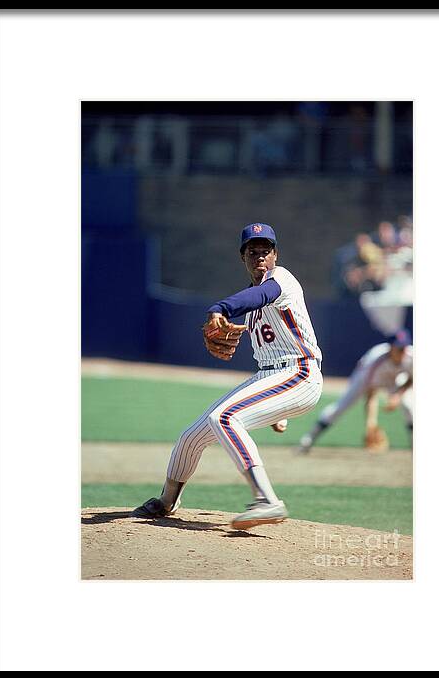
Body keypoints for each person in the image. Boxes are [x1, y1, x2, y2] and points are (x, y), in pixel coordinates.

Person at [133, 223, 323, 530]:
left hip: (300, 373)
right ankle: (167, 500)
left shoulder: (280, 279)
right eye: (253, 251)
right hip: (274, 377)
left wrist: (221, 308)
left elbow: (263, 294)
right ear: (242, 257)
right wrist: (277, 410)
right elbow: (266, 350)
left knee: (223, 417)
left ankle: (267, 500)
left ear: (275, 255)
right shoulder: (252, 305)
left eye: (266, 251)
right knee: (191, 437)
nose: (260, 256)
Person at [298, 329, 413, 453]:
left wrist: (397, 395)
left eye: (404, 347)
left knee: (409, 405)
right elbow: (371, 394)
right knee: (340, 407)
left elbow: (412, 379)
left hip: (396, 378)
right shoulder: (375, 361)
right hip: (363, 378)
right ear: (391, 348)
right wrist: (371, 424)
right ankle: (307, 440)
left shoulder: (411, 356)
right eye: (399, 348)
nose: (403, 351)